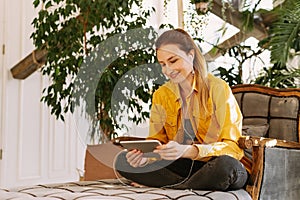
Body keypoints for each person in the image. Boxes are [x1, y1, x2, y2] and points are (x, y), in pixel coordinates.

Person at [115, 28, 248, 191]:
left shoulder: (218, 89)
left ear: (190, 55)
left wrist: (188, 151)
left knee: (226, 167)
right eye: (162, 64)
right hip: (183, 168)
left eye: (173, 61)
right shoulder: (161, 95)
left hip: (214, 165)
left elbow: (233, 148)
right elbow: (157, 146)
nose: (167, 70)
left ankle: (175, 185)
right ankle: (188, 185)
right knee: (123, 161)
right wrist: (144, 159)